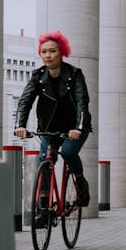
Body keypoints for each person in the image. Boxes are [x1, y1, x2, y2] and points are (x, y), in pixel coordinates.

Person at [14, 31, 93, 209]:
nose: (48, 56)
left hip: (75, 126)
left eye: (52, 51)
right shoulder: (38, 76)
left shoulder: (74, 74)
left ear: (61, 52)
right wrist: (20, 125)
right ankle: (43, 206)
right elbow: (25, 100)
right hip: (50, 127)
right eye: (44, 52)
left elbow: (82, 102)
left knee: (68, 152)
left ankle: (81, 183)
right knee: (45, 160)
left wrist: (79, 128)